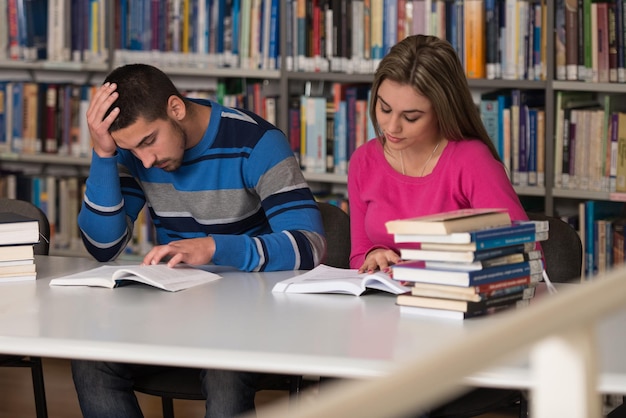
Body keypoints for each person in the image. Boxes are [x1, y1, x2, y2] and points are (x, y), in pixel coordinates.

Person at [72, 63, 326, 418]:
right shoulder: (133, 151)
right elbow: (104, 247)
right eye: (133, 148)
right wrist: (104, 154)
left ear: (175, 109)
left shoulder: (256, 142)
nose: (147, 160)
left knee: (224, 370)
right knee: (91, 361)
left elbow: (309, 244)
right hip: (174, 311)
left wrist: (214, 247)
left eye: (149, 141)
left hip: (251, 316)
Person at [348, 34, 529, 273]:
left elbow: (524, 253)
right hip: (382, 304)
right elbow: (358, 255)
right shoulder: (364, 161)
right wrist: (374, 255)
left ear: (442, 110)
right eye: (384, 108)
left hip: (455, 303)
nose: (391, 127)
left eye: (411, 117)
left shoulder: (471, 161)